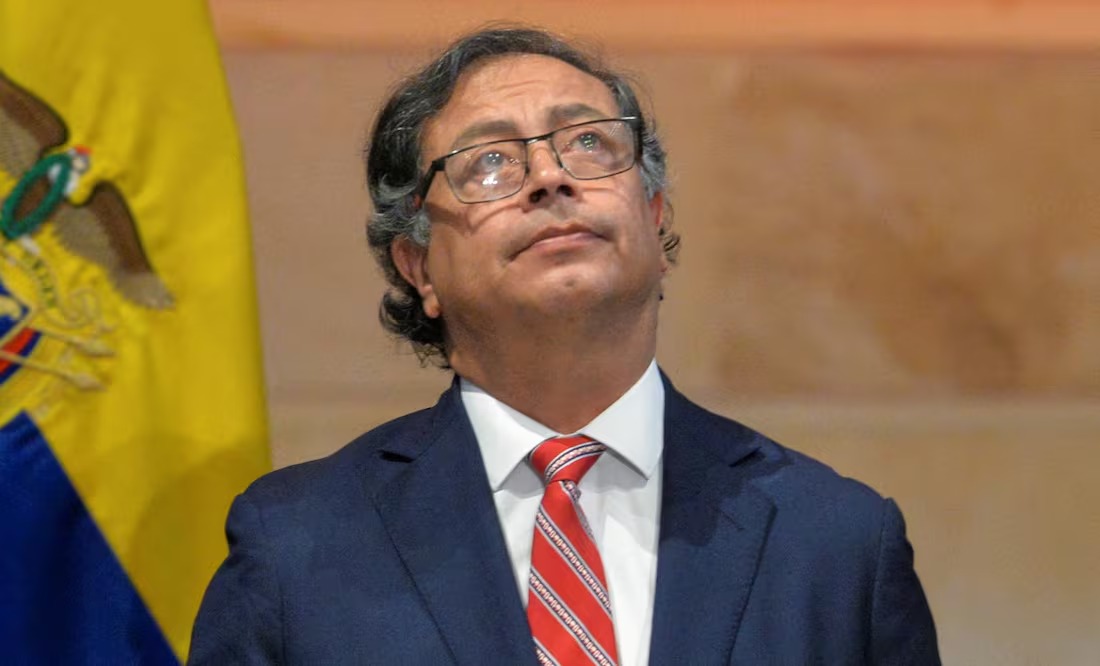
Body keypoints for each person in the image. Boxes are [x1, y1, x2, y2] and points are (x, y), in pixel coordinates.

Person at [189, 27, 939, 665]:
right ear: (418, 267)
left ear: (655, 220)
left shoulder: (837, 542)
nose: (549, 178)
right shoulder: (297, 545)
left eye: (588, 142)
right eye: (488, 161)